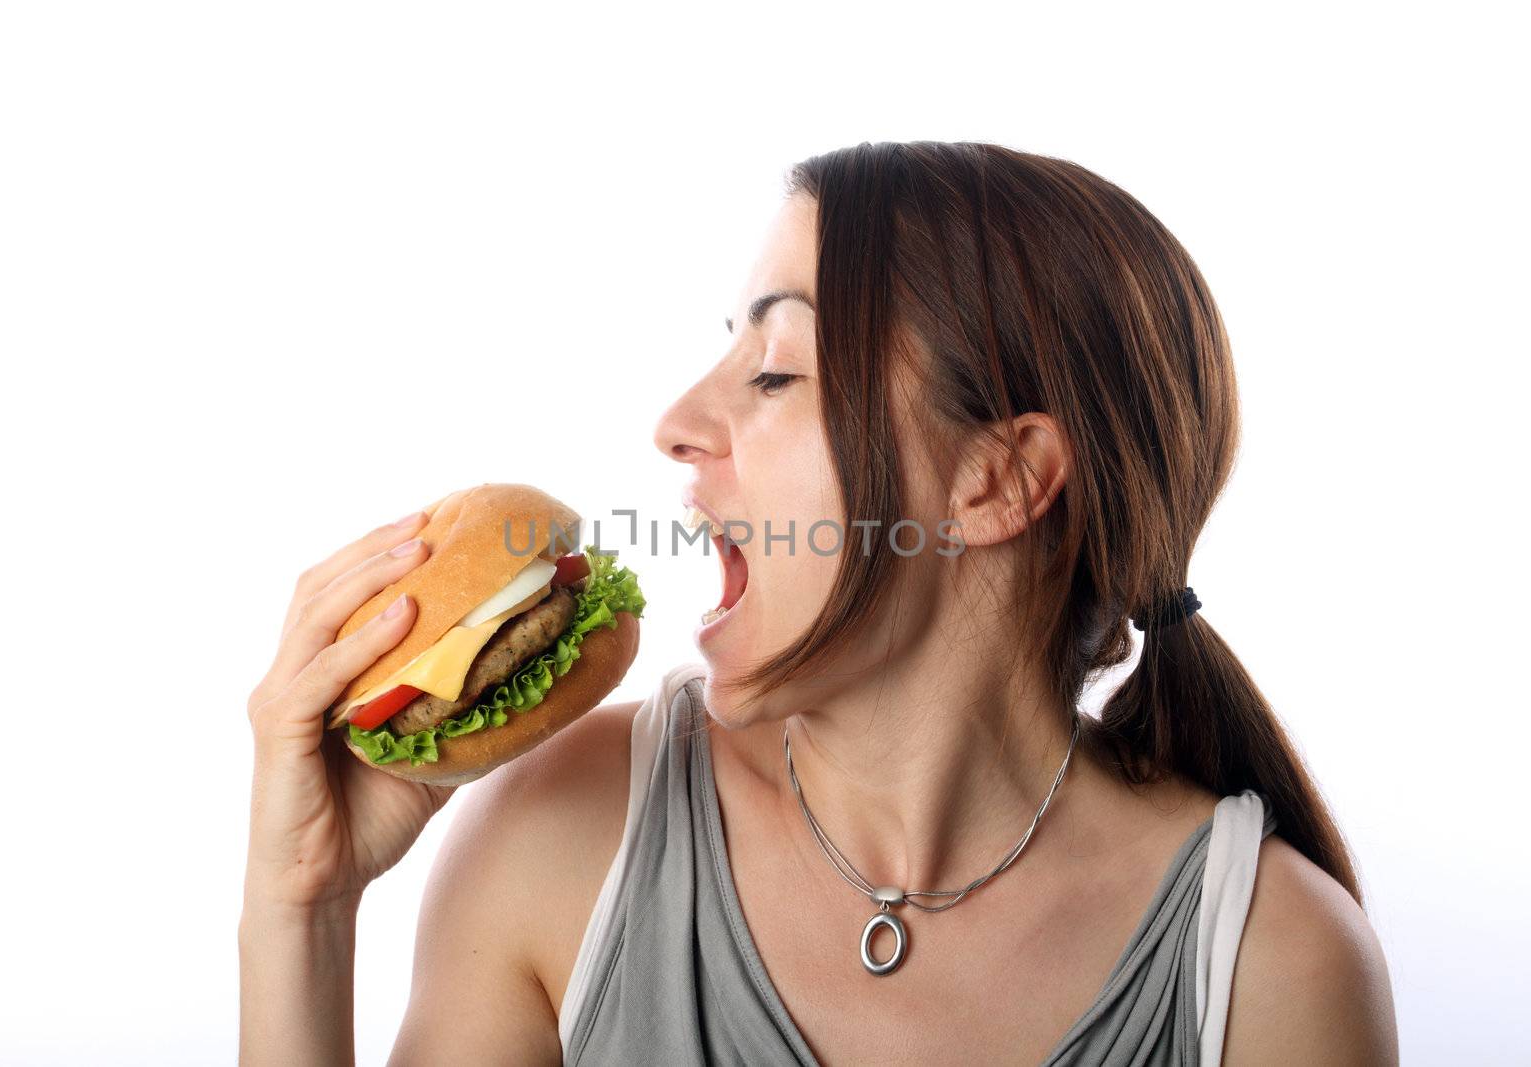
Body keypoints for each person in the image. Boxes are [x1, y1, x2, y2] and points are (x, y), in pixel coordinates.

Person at [239, 141, 1398, 1065]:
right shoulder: (567, 831)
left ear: (996, 478)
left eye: (775, 371)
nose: (677, 421)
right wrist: (304, 908)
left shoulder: (1270, 964)